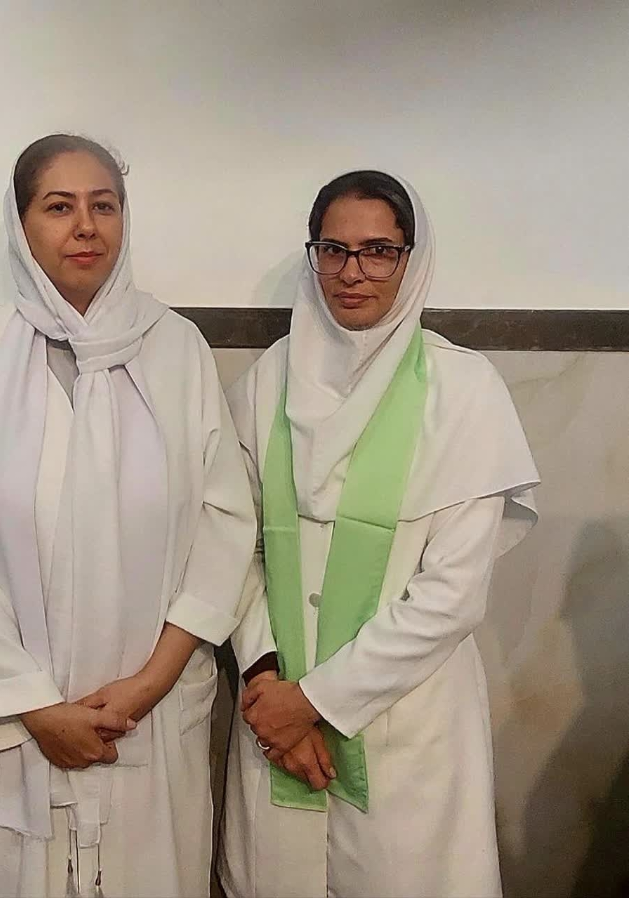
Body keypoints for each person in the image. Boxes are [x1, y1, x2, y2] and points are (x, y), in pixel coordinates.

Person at [0, 134, 255, 897]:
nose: (85, 226)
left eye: (104, 206)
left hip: (152, 715)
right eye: (59, 207)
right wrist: (38, 707)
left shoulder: (176, 349)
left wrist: (148, 684)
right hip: (21, 722)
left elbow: (225, 527)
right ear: (21, 224)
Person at [219, 170, 540, 898]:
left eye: (378, 251)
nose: (352, 271)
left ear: (411, 260)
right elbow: (236, 547)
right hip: (274, 716)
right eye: (333, 250)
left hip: (406, 725)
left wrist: (313, 703)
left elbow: (451, 595)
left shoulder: (463, 392)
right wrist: (267, 681)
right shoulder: (267, 383)